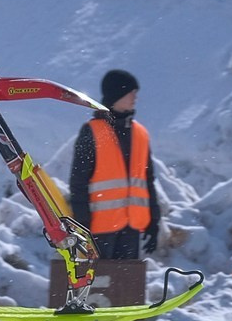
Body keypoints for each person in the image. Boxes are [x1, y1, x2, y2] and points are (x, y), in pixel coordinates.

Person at [67, 69, 163, 262]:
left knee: (125, 289)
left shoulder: (141, 134)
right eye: (131, 92)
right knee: (97, 288)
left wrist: (154, 219)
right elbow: (78, 182)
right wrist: (82, 224)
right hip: (98, 230)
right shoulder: (92, 132)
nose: (135, 97)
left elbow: (147, 181)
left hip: (131, 228)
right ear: (116, 95)